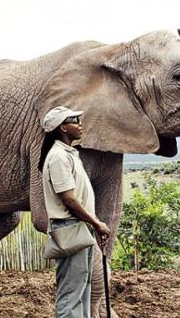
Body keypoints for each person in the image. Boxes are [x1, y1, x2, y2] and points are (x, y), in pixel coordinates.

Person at [39, 106, 111, 318]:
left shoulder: (68, 154)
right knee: (72, 293)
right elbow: (69, 199)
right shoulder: (59, 157)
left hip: (79, 228)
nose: (80, 125)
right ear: (63, 127)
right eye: (75, 121)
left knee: (83, 289)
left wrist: (92, 225)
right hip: (70, 229)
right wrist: (97, 223)